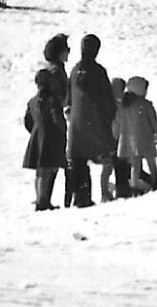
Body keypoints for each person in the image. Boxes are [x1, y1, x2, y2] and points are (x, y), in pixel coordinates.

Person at [65, 34, 116, 208]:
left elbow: (68, 98)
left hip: (77, 124)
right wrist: (110, 116)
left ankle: (81, 197)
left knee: (78, 160)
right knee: (107, 156)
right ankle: (108, 191)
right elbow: (107, 98)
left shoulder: (75, 70)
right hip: (96, 122)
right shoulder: (98, 71)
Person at [23, 68, 68, 211]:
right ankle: (43, 201)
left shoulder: (32, 101)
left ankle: (39, 198)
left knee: (39, 171)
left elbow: (27, 121)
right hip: (50, 138)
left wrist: (35, 132)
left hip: (38, 137)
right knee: (46, 170)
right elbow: (58, 120)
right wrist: (62, 131)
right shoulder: (52, 100)